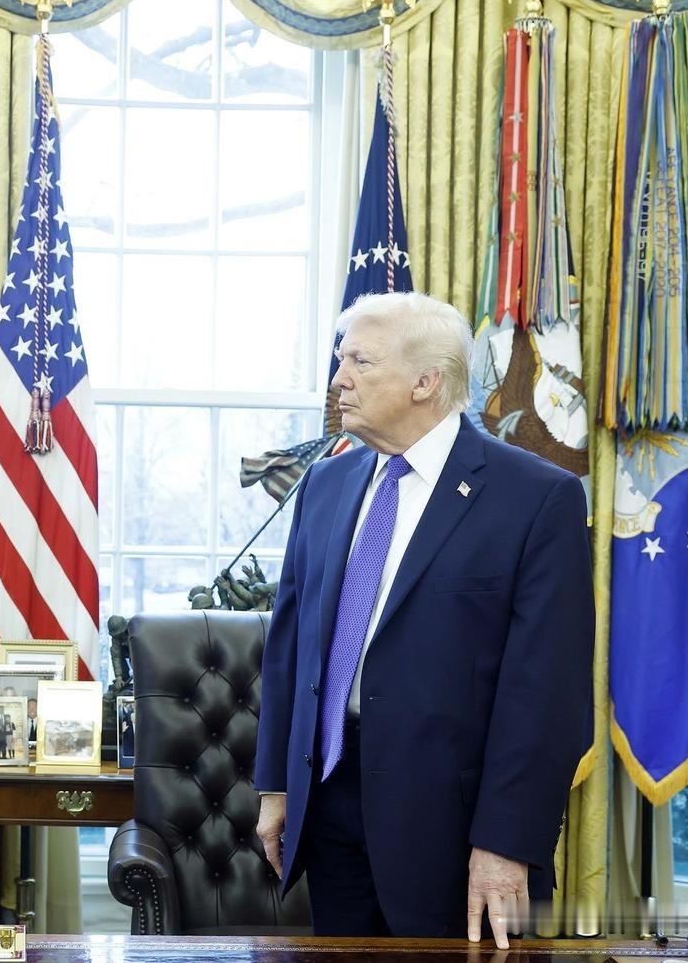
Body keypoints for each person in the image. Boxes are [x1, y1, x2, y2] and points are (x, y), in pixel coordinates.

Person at [254, 293, 592, 946]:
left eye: (360, 362)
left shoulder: (536, 498)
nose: (339, 380)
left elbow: (547, 695)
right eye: (340, 360)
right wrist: (276, 783)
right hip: (328, 809)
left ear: (425, 382)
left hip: (455, 829)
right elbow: (289, 649)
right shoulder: (324, 485)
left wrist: (506, 843)